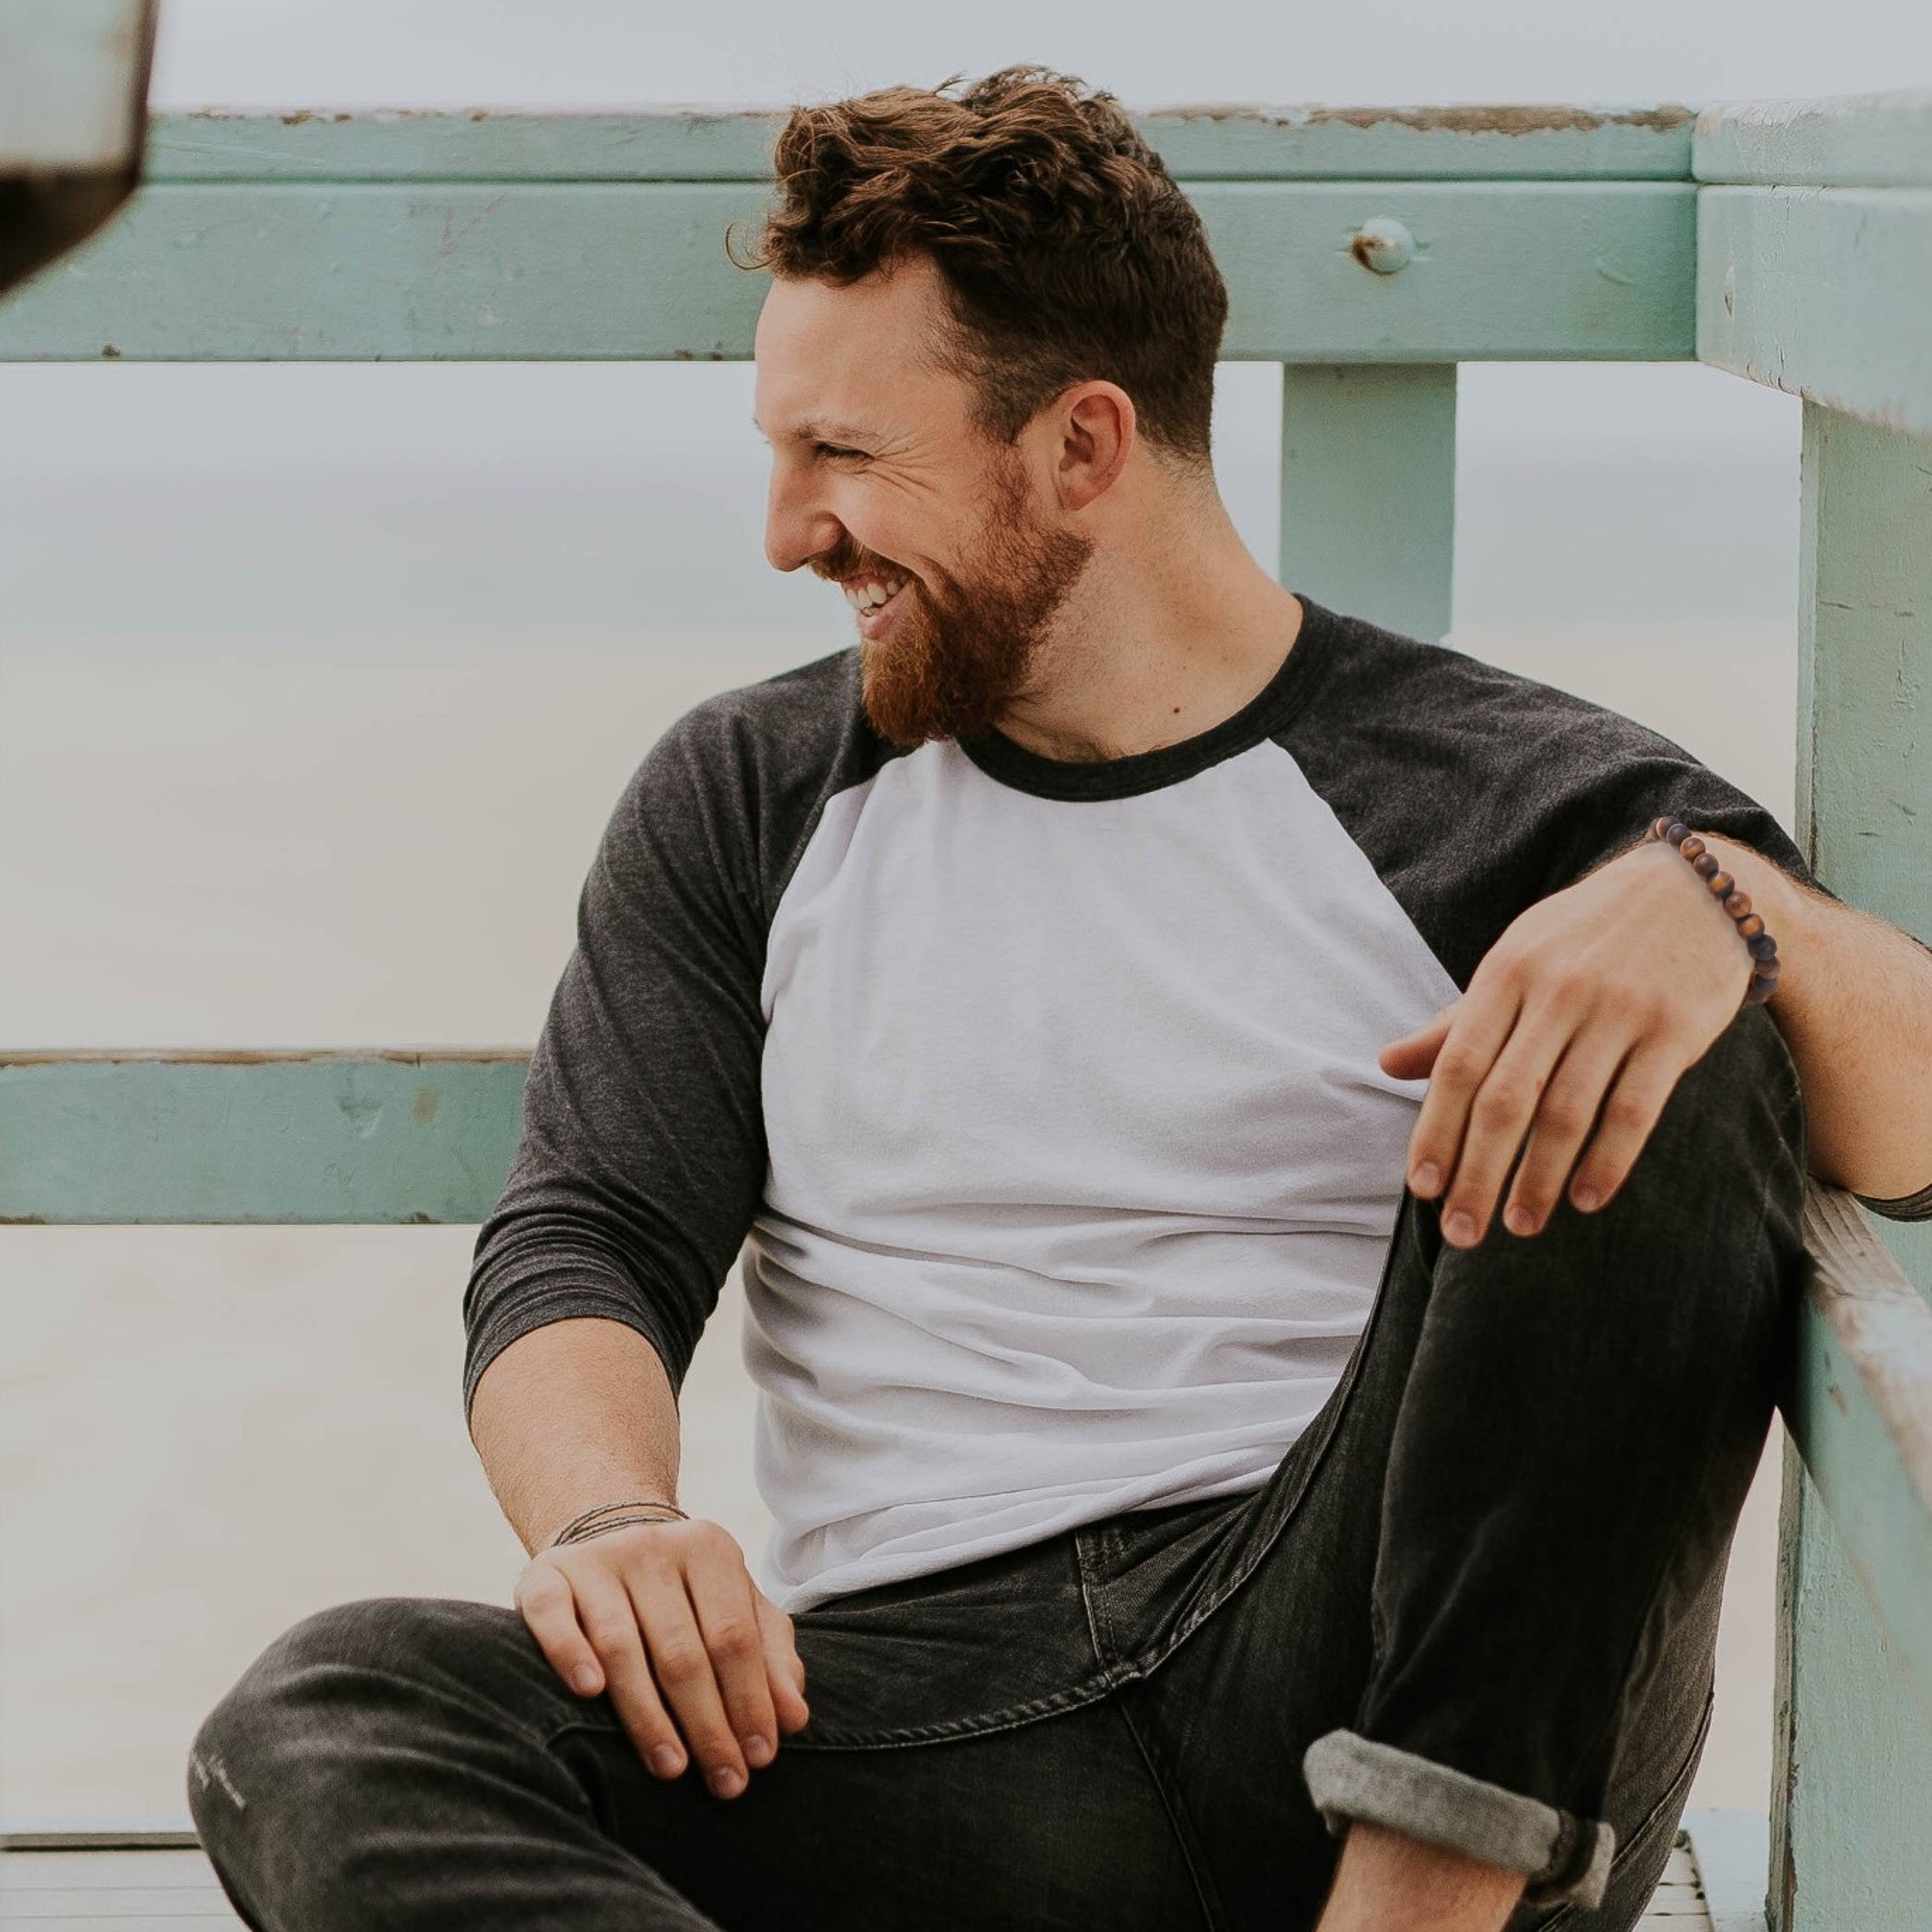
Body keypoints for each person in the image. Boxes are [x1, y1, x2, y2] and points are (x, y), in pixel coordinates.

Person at [186, 64, 1932, 1932]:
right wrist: (613, 1522)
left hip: (1380, 1709)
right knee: (322, 1714)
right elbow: (584, 1235)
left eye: (844, 459)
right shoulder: (746, 795)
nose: (786, 532)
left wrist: (1728, 903)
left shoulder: (1508, 792)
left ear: (1081, 447)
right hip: (915, 1730)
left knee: (1670, 1006)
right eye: (778, 455)